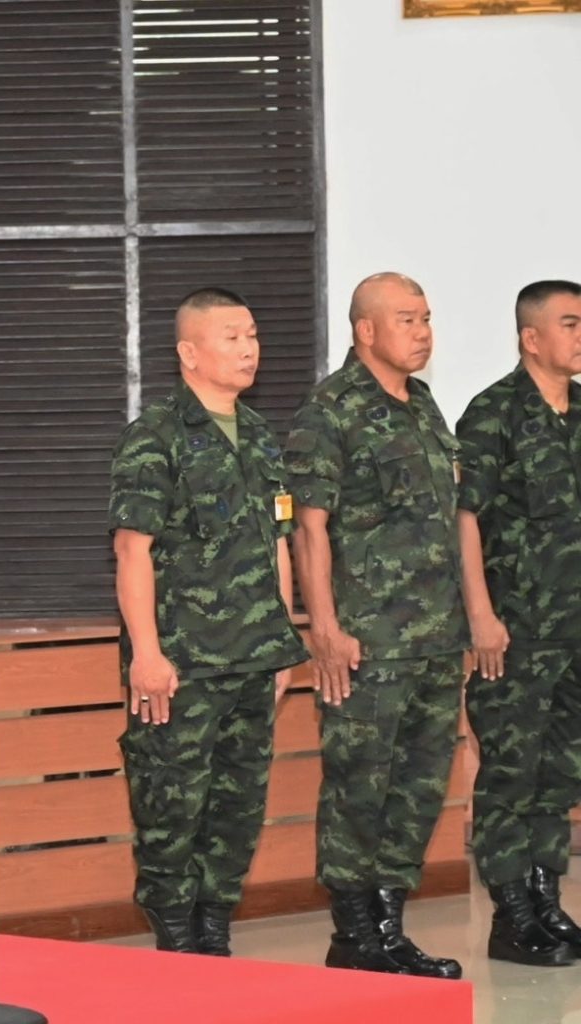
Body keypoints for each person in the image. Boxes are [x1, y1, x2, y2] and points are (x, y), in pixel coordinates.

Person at [110, 288, 309, 957]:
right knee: (171, 804)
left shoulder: (259, 435)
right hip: (183, 662)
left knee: (238, 805)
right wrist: (146, 654)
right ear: (189, 353)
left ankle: (215, 926)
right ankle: (174, 933)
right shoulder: (156, 436)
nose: (249, 348)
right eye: (231, 337)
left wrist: (282, 645)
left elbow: (278, 544)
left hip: (254, 657)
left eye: (252, 335)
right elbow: (132, 551)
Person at [284, 272, 466, 979]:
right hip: (368, 642)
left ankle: (389, 929)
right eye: (407, 319)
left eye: (426, 318)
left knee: (418, 788)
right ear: (366, 331)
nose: (423, 332)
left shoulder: (422, 404)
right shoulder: (331, 410)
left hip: (435, 638)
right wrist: (325, 629)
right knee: (359, 787)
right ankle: (354, 932)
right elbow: (309, 528)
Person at [456, 279, 581, 967]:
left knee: (560, 771)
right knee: (510, 769)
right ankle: (510, 915)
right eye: (570, 323)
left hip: (575, 629)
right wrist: (480, 614)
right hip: (517, 629)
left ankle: (545, 900)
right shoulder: (494, 413)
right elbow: (465, 519)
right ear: (532, 338)